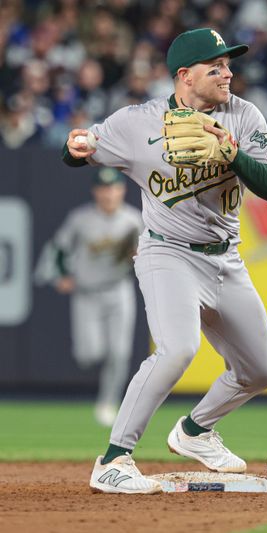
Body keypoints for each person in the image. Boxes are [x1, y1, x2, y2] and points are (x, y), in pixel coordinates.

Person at [62, 28, 267, 494]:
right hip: (167, 251)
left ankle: (195, 431)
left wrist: (233, 154)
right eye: (216, 66)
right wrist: (75, 146)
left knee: (260, 371)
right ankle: (113, 459)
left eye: (228, 64)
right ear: (185, 76)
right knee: (177, 349)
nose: (228, 73)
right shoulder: (137, 122)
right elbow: (81, 150)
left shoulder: (244, 115)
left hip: (225, 258)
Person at [47, 168, 143, 427]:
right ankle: (101, 387)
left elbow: (149, 252)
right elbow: (59, 249)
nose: (109, 194)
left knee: (119, 352)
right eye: (103, 188)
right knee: (88, 354)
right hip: (86, 293)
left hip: (118, 289)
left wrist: (139, 255)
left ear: (121, 190)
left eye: (113, 188)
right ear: (96, 191)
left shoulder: (134, 220)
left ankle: (107, 402)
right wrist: (63, 274)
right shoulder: (81, 219)